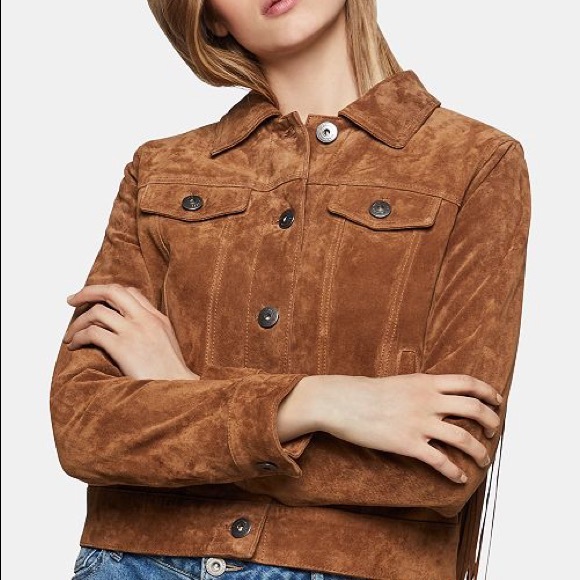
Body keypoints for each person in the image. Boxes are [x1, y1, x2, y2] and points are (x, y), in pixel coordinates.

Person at [50, 1, 531, 579]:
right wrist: (318, 401)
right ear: (211, 18)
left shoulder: (476, 163)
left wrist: (182, 395)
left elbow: (445, 464)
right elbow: (85, 428)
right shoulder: (159, 169)